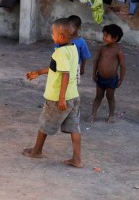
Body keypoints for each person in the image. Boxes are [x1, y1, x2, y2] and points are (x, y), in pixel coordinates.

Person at [23, 18, 82, 168]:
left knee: (45, 123)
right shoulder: (73, 48)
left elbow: (65, 74)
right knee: (74, 128)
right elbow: (57, 68)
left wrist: (61, 98)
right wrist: (38, 72)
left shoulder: (60, 53)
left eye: (53, 33)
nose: (51, 35)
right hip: (73, 96)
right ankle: (77, 159)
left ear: (61, 37)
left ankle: (37, 150)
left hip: (57, 98)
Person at [89, 24, 126, 123]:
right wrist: (94, 73)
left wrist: (121, 79)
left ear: (115, 38)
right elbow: (96, 60)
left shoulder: (118, 51)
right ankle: (93, 114)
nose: (103, 38)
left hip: (111, 80)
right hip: (100, 78)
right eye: (103, 35)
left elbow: (122, 66)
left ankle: (111, 115)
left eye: (106, 36)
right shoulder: (102, 48)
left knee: (110, 97)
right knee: (98, 96)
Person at [68, 15, 91, 84]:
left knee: (73, 85)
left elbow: (84, 56)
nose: (70, 29)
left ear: (79, 28)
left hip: (75, 67)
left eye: (73, 27)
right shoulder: (62, 39)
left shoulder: (81, 41)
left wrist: (82, 68)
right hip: (62, 66)